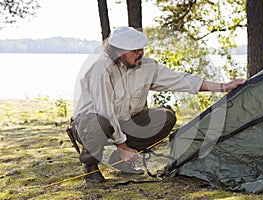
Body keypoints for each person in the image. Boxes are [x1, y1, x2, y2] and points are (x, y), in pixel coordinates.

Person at [70, 26, 245, 183]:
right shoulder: (101, 68)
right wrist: (122, 145)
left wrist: (224, 86)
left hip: (124, 122)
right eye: (135, 50)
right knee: (100, 123)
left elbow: (181, 80)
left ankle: (124, 158)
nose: (141, 53)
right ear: (119, 52)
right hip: (89, 125)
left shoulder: (147, 66)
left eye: (142, 49)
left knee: (166, 117)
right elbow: (105, 111)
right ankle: (90, 166)